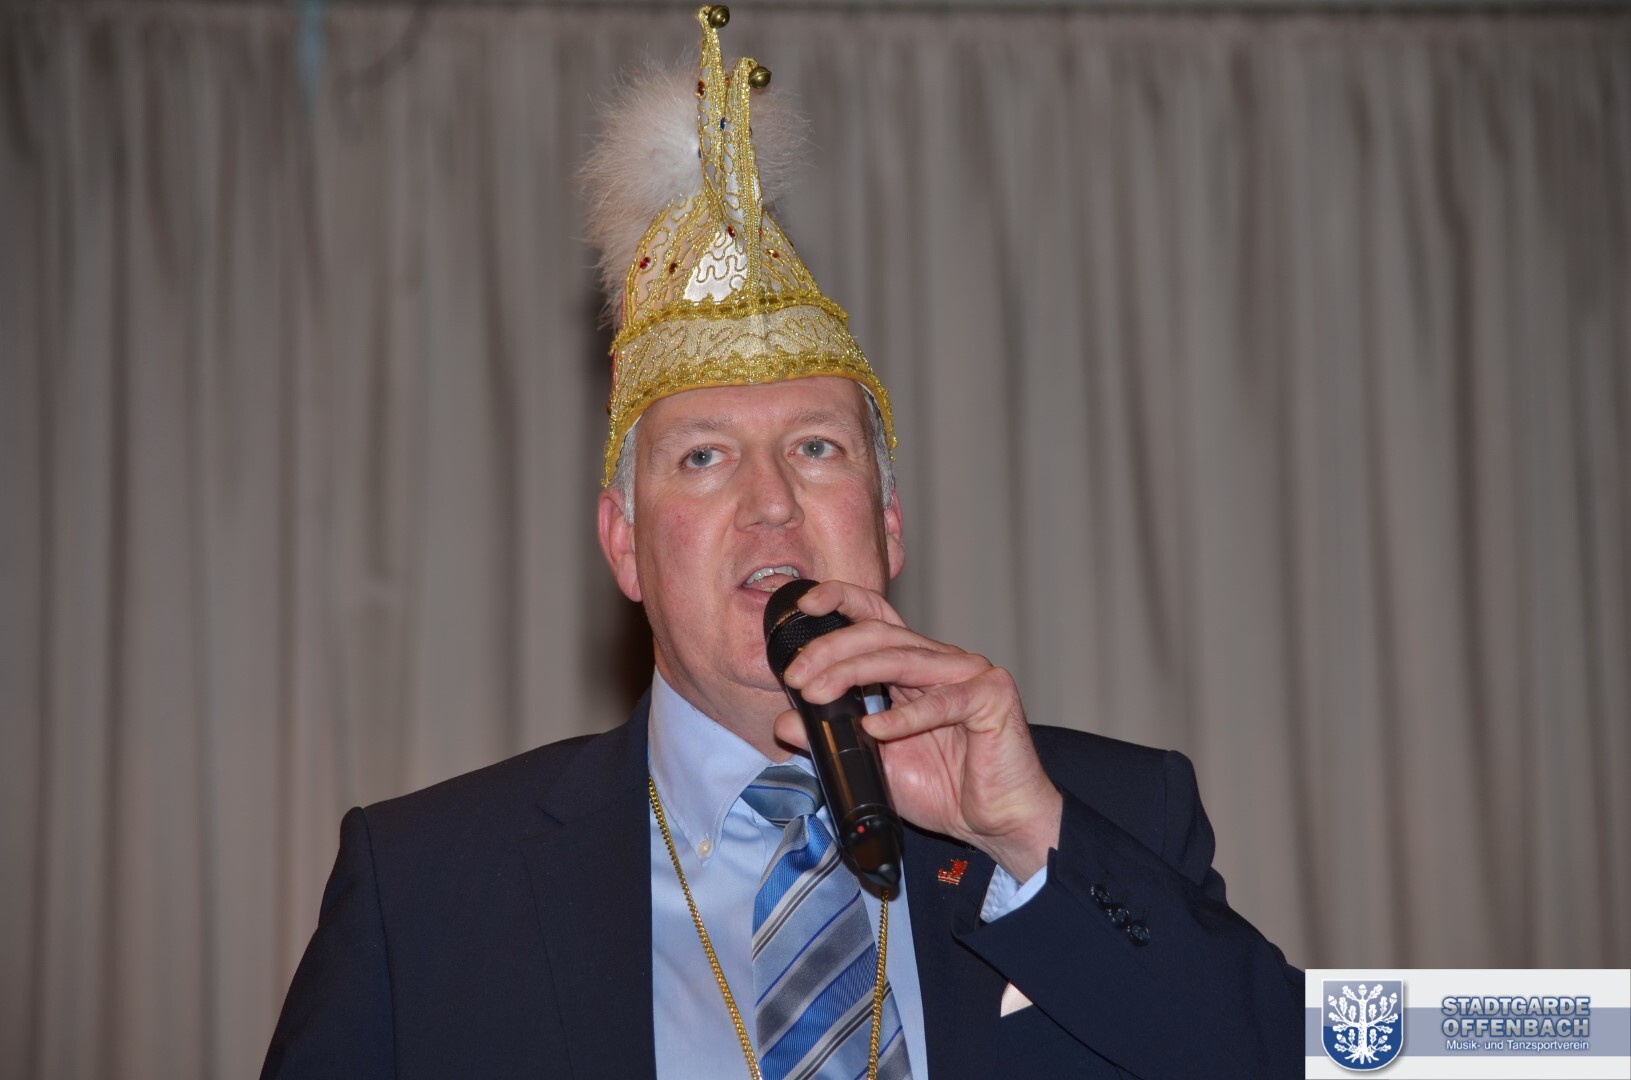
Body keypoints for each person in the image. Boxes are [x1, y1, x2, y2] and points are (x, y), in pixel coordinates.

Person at [261, 7, 1304, 1078]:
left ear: (887, 523)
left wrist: (1029, 841)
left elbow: (1334, 1058)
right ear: (622, 546)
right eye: (703, 457)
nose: (769, 503)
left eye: (815, 448)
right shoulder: (422, 889)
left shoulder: (1112, 817)